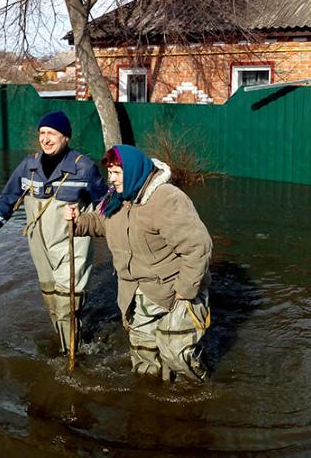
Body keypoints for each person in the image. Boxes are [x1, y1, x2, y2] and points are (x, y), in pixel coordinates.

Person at [64, 144, 212, 381]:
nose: (111, 180)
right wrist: (78, 221)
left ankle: (195, 400)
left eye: (117, 173)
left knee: (177, 356)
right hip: (137, 292)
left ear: (132, 171)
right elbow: (102, 223)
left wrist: (185, 291)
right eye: (109, 173)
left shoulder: (167, 199)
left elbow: (198, 246)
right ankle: (150, 402)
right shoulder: (117, 199)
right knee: (144, 358)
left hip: (175, 291)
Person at [0, 110, 107, 354]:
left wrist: (91, 220)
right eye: (42, 133)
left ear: (66, 137)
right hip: (39, 245)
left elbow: (105, 206)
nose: (46, 139)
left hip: (72, 244)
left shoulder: (84, 168)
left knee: (67, 304)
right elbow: (7, 199)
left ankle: (73, 355)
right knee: (51, 300)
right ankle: (68, 345)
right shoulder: (29, 166)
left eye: (52, 133)